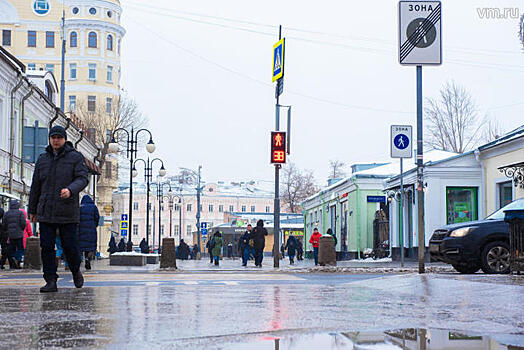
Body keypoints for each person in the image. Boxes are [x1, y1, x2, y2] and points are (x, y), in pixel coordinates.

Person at [28, 125, 89, 292]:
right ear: (49, 139)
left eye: (59, 138)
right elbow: (36, 186)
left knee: (70, 246)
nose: (55, 140)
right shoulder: (43, 159)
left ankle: (76, 270)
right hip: (46, 211)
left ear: (64, 139)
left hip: (67, 211)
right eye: (53, 137)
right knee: (46, 247)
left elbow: (83, 178)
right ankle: (50, 280)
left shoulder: (75, 157)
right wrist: (32, 210)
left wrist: (70, 190)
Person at [2, 200, 27, 269]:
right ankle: (17, 258)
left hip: (10, 235)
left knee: (12, 248)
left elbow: (4, 224)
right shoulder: (20, 213)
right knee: (20, 248)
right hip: (19, 234)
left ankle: (13, 260)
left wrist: (7, 230)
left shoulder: (6, 214)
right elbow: (23, 223)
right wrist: (21, 229)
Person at [78, 195, 100, 270]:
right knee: (91, 247)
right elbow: (97, 217)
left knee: (81, 246)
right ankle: (88, 259)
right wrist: (94, 225)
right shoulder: (94, 207)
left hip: (81, 229)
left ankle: (80, 259)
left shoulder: (80, 208)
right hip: (91, 229)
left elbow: (77, 218)